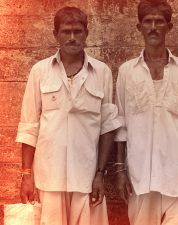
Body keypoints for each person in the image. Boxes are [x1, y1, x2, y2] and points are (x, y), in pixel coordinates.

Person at [16, 6, 121, 225]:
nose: (72, 38)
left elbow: (108, 127)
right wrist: (26, 175)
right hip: (49, 177)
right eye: (66, 31)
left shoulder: (101, 72)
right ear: (56, 34)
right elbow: (29, 126)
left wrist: (100, 174)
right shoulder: (40, 71)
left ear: (86, 33)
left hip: (86, 178)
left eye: (77, 31)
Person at [114, 0, 178, 224]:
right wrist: (120, 171)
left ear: (169, 27)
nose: (153, 27)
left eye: (159, 22)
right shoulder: (127, 72)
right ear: (139, 27)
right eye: (148, 22)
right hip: (139, 175)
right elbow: (121, 125)